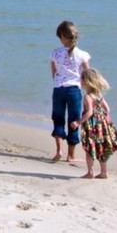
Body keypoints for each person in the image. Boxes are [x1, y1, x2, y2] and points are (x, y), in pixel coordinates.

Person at [71, 66, 117, 178]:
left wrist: (78, 122)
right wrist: (103, 118)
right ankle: (103, 172)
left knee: (90, 147)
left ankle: (90, 172)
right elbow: (107, 109)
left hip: (91, 126)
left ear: (86, 82)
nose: (80, 82)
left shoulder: (87, 97)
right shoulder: (99, 95)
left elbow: (89, 112)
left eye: (81, 79)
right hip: (102, 126)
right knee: (101, 147)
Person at [50, 20, 90, 163]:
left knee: (58, 119)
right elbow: (87, 74)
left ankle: (59, 150)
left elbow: (54, 74)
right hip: (74, 90)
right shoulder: (82, 55)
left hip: (58, 89)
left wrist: (60, 81)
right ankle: (71, 155)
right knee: (74, 120)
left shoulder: (55, 53)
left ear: (62, 36)